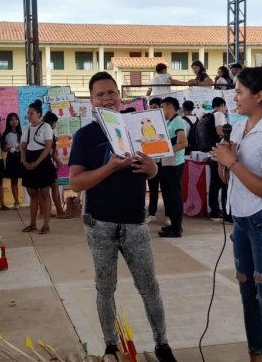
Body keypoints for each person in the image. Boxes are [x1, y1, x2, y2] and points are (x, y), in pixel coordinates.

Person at [69, 71, 176, 362]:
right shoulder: (85, 136)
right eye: (100, 94)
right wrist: (110, 168)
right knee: (105, 289)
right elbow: (76, 182)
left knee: (149, 287)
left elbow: (155, 169)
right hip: (99, 224)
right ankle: (111, 345)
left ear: (120, 96)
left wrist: (149, 169)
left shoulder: (137, 126)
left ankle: (162, 344)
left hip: (135, 224)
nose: (107, 98)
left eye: (111, 93)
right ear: (91, 101)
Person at [212, 60, 262, 362]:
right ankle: (255, 357)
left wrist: (232, 163)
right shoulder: (242, 128)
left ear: (258, 96)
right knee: (248, 298)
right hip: (242, 223)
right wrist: (224, 162)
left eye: (239, 91)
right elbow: (229, 179)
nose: (235, 97)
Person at [21, 100, 56, 234]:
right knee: (32, 194)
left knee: (45, 193)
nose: (29, 115)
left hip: (43, 162)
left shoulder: (46, 127)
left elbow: (48, 147)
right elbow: (23, 147)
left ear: (39, 114)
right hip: (29, 161)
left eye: (32, 113)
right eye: (28, 113)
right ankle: (32, 224)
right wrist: (24, 161)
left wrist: (37, 162)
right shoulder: (26, 128)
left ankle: (46, 225)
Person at [157, 97, 188, 238]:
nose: (160, 110)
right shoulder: (169, 122)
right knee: (168, 195)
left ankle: (177, 228)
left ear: (169, 107)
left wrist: (166, 152)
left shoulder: (177, 121)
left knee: (174, 196)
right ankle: (172, 225)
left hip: (174, 164)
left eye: (162, 107)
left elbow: (183, 142)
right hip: (167, 163)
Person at [207, 96, 229, 222]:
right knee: (222, 183)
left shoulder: (209, 115)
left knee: (214, 184)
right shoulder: (220, 114)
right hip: (218, 154)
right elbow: (220, 131)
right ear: (221, 105)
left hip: (211, 153)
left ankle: (214, 211)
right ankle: (222, 212)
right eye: (225, 106)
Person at [42, 111, 67, 218]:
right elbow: (50, 151)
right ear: (51, 123)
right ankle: (60, 212)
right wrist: (57, 161)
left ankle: (43, 212)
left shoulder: (39, 130)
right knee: (55, 187)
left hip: (40, 163)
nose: (55, 125)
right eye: (55, 123)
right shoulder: (48, 133)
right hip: (47, 163)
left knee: (42, 189)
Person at [145, 97, 163, 224]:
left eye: (155, 107)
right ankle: (152, 213)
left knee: (167, 189)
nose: (153, 109)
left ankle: (169, 215)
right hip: (151, 161)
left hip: (164, 160)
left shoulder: (164, 122)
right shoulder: (146, 124)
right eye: (151, 107)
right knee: (152, 188)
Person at [2, 113, 23, 210]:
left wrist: (20, 148)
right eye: (11, 119)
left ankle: (34, 199)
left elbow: (26, 145)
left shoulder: (22, 133)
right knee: (14, 180)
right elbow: (3, 148)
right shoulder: (6, 134)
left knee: (27, 179)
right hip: (12, 158)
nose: (14, 121)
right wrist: (9, 148)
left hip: (22, 157)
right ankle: (16, 201)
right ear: (8, 122)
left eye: (16, 119)